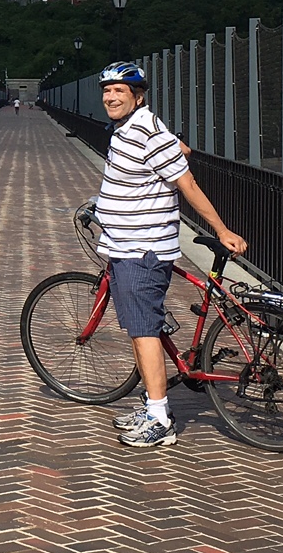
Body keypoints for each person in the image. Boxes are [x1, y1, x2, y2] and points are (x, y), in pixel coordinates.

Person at [92, 60, 246, 449]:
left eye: (119, 91)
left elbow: (187, 182)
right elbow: (180, 151)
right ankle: (151, 406)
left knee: (143, 331)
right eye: (106, 90)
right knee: (144, 326)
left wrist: (221, 229)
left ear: (137, 97)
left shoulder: (143, 131)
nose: (110, 97)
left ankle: (159, 419)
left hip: (140, 250)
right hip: (128, 245)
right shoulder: (135, 128)